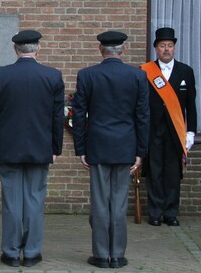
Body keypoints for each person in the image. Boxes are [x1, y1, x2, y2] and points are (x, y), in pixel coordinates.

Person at [0, 30, 64, 268]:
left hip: (8, 147)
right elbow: (56, 116)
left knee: (11, 202)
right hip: (40, 147)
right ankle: (31, 252)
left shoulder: (0, 76)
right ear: (37, 49)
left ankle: (10, 252)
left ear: (15, 49)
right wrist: (55, 148)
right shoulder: (52, 76)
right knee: (35, 201)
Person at [72, 31, 150, 269]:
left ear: (100, 49)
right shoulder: (137, 75)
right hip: (125, 145)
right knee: (118, 203)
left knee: (99, 202)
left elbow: (79, 114)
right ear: (122, 50)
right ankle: (117, 254)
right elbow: (143, 116)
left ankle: (101, 254)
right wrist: (140, 151)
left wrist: (80, 148)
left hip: (97, 145)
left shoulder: (87, 75)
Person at [141, 27, 197, 227]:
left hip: (175, 130)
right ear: (156, 49)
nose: (166, 49)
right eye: (162, 45)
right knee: (154, 172)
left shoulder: (185, 71)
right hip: (153, 130)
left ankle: (171, 213)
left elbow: (191, 105)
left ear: (174, 48)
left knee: (173, 173)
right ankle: (155, 212)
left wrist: (190, 132)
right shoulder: (145, 71)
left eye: (170, 46)